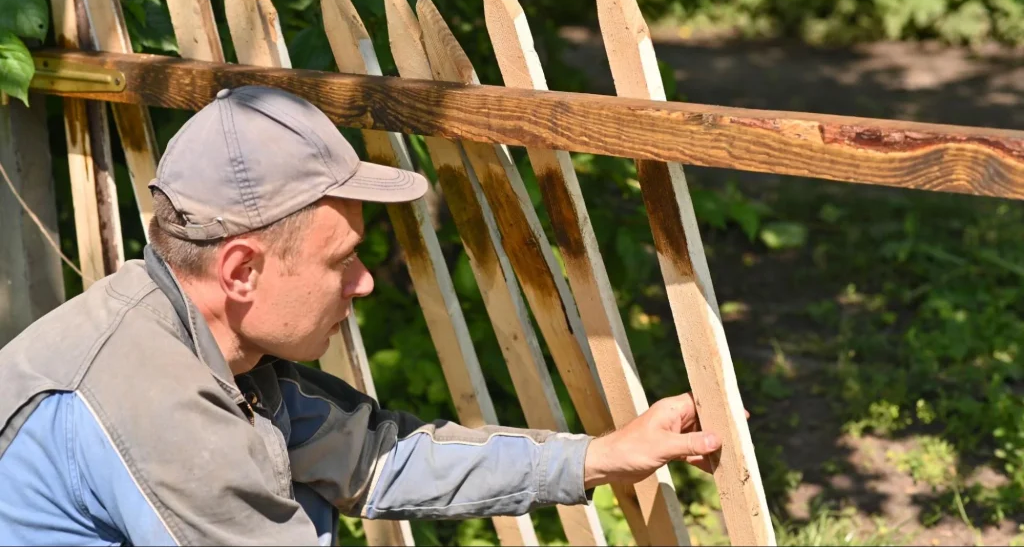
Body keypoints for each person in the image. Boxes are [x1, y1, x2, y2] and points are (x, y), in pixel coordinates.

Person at [0, 85, 725, 545]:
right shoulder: (155, 407)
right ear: (242, 270)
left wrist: (602, 454)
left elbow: (381, 459)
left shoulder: (205, 342)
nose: (366, 283)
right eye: (340, 259)